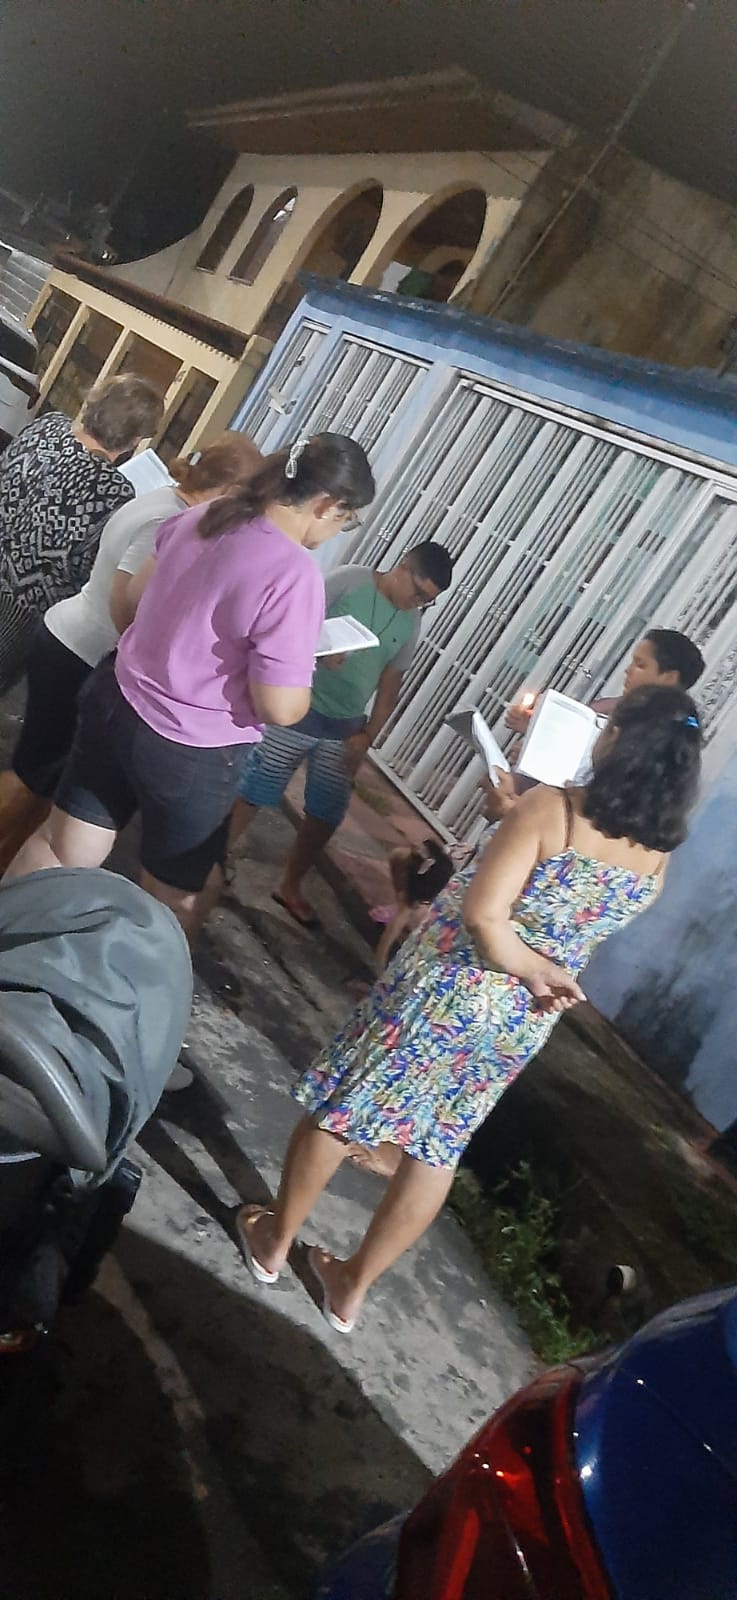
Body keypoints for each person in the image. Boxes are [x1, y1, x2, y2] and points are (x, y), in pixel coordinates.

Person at [235, 684, 701, 1333]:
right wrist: (539, 957)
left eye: (608, 726)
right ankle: (350, 1286)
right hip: (522, 1017)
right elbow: (566, 912)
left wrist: (517, 826)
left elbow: (486, 916)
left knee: (346, 1105)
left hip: (450, 986)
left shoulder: (553, 809)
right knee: (437, 1146)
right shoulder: (655, 861)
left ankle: (273, 1240)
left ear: (621, 741)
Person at [5, 434, 376, 946]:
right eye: (346, 519)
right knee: (173, 897)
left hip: (118, 698)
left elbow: (135, 600)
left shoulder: (208, 515)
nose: (338, 529)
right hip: (191, 748)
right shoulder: (294, 575)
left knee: (59, 847)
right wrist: (303, 669)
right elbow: (280, 706)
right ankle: (140, 987)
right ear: (328, 504)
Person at [0, 433, 263, 870]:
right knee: (33, 775)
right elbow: (125, 608)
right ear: (231, 489)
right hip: (79, 652)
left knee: (45, 780)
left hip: (72, 640)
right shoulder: (170, 518)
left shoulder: (167, 501)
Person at [230, 542, 454, 928]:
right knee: (254, 789)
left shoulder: (410, 622)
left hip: (344, 726)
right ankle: (212, 862)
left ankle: (290, 884)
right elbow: (292, 622)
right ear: (403, 567)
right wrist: (316, 653)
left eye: (426, 601)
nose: (417, 603)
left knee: (326, 813)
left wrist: (368, 735)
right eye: (418, 593)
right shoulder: (350, 581)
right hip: (296, 707)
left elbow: (391, 683)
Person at [0, 374, 163, 694]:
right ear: (135, 439)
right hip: (18, 618)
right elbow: (92, 572)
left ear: (94, 402)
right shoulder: (114, 492)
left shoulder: (46, 426)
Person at [491, 625, 706, 822]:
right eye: (632, 662)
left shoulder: (658, 737)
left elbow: (587, 779)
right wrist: (535, 736)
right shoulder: (608, 707)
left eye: (641, 665)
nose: (628, 670)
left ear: (669, 677)